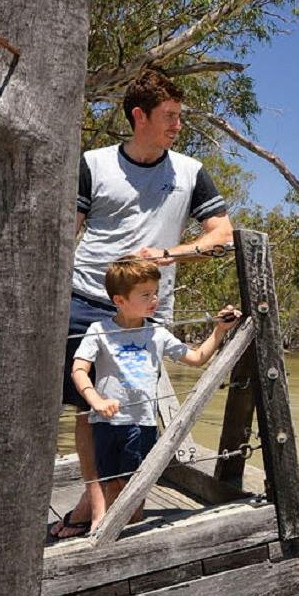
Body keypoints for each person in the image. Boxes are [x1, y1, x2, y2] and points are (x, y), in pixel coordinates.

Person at [49, 69, 234, 541]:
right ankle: (96, 510)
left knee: (136, 405)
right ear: (139, 116)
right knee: (89, 409)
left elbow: (223, 235)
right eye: (169, 117)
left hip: (152, 307)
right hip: (87, 299)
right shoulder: (93, 164)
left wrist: (169, 254)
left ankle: (108, 507)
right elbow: (64, 235)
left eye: (179, 117)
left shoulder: (190, 173)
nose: (177, 126)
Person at [69, 256, 241, 533]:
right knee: (108, 479)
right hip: (105, 424)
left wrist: (219, 330)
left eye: (155, 293)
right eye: (145, 294)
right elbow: (79, 369)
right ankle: (106, 526)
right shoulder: (99, 331)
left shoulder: (157, 333)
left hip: (142, 424)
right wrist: (96, 401)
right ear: (120, 300)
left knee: (134, 484)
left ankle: (128, 528)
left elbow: (196, 358)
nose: (154, 299)